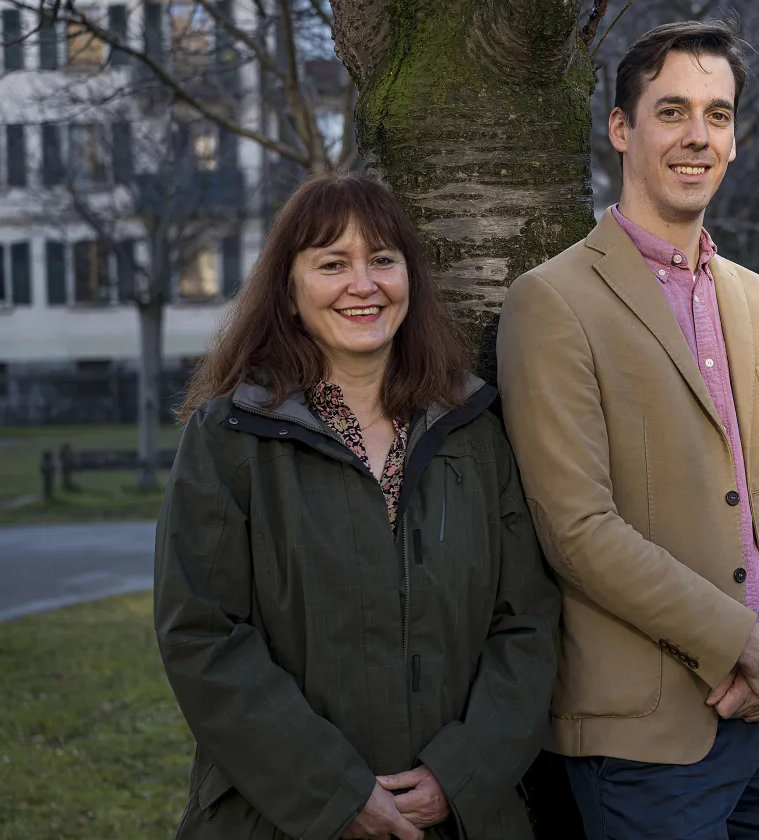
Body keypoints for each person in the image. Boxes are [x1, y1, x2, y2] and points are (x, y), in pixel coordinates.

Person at [496, 19, 759, 840]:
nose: (698, 136)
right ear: (622, 128)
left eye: (717, 115)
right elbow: (578, 529)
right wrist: (745, 649)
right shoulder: (553, 302)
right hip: (649, 738)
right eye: (673, 110)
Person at [155, 173, 560, 840]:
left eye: (381, 260)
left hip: (459, 819)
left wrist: (457, 776)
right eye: (331, 264)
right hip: (279, 817)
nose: (362, 284)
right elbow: (202, 636)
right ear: (289, 290)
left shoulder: (473, 430)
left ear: (410, 279)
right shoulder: (230, 438)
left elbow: (528, 623)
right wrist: (336, 793)